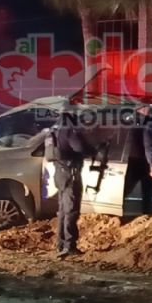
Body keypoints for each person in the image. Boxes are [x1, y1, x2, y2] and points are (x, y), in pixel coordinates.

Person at [53, 104, 95, 259]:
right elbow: (79, 149)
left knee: (63, 210)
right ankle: (69, 246)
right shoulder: (69, 130)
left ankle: (60, 243)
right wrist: (92, 149)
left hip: (59, 173)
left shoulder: (55, 129)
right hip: (71, 174)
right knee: (71, 210)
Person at [124, 104, 152, 214]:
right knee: (147, 194)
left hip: (133, 159)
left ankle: (118, 213)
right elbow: (149, 143)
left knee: (125, 190)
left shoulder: (129, 120)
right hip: (145, 161)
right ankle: (146, 214)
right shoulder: (150, 121)